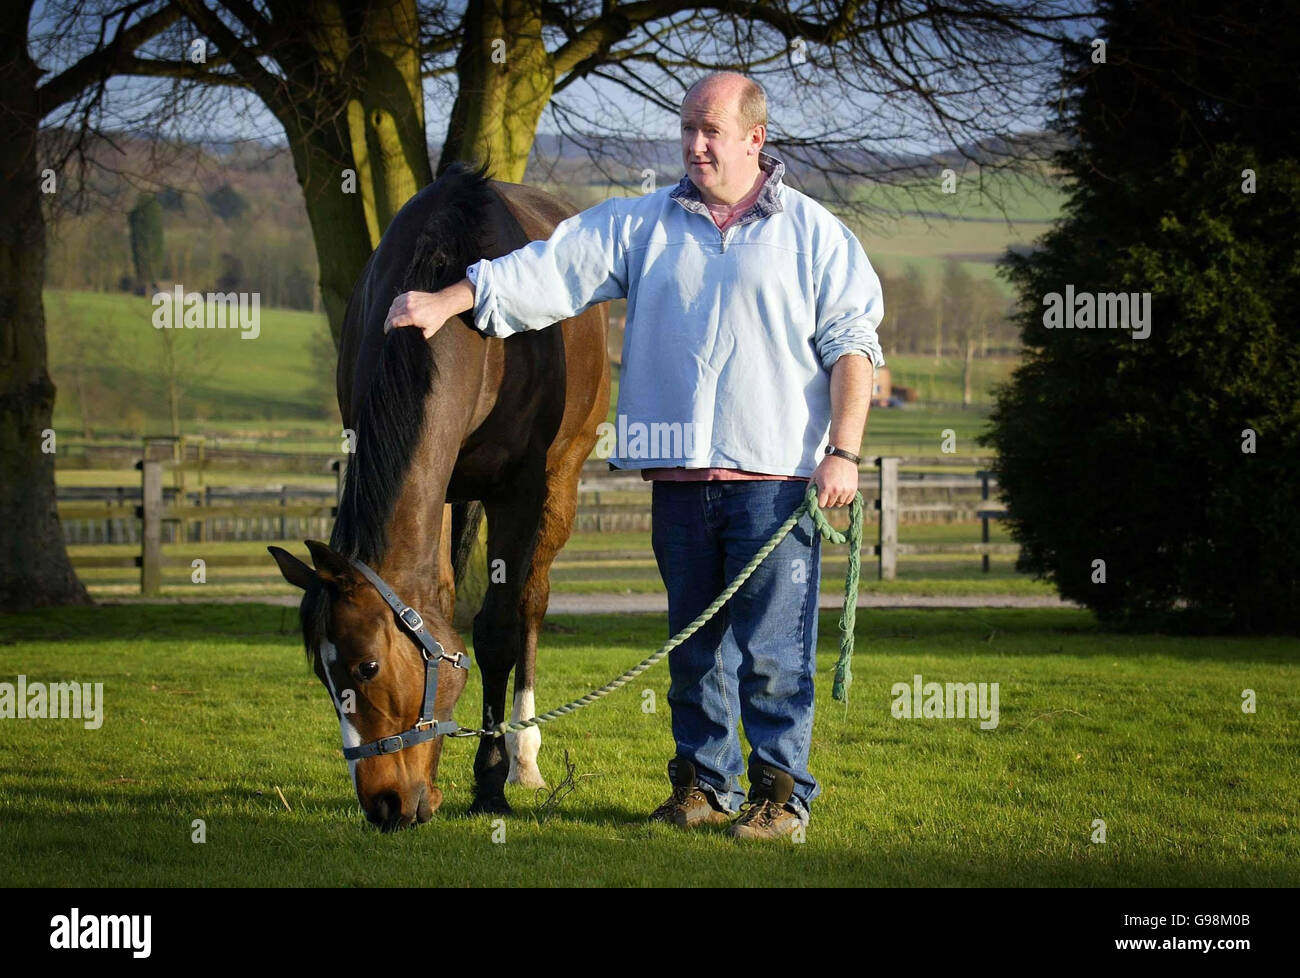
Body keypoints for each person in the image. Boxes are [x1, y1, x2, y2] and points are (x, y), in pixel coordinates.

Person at [385, 71, 885, 840]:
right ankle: (702, 787)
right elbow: (549, 270)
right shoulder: (646, 225)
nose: (694, 145)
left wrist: (844, 453)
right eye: (687, 129)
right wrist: (449, 300)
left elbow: (853, 347)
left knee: (775, 657)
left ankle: (782, 799)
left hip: (779, 483)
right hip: (681, 482)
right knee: (694, 650)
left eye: (710, 131)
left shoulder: (815, 235)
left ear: (755, 138)